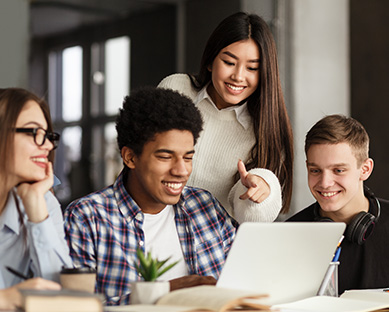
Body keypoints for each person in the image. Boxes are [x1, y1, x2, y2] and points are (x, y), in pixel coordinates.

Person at [64, 87, 238, 305]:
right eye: (165, 157)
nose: (181, 171)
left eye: (187, 157)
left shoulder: (205, 207)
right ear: (130, 157)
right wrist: (165, 292)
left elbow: (243, 283)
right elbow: (74, 307)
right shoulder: (87, 217)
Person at [158, 12, 294, 223]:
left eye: (252, 68)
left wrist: (260, 193)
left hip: (210, 245)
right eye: (229, 62)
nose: (238, 76)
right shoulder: (176, 89)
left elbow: (251, 219)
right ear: (211, 61)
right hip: (150, 228)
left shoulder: (265, 129)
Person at [287, 114, 389, 294]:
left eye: (338, 170)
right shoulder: (289, 234)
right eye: (315, 170)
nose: (325, 182)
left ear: (365, 169)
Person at [0, 88, 72, 309]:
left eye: (48, 135)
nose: (48, 146)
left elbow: (64, 299)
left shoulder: (43, 202)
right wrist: (6, 298)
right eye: (34, 132)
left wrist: (36, 209)